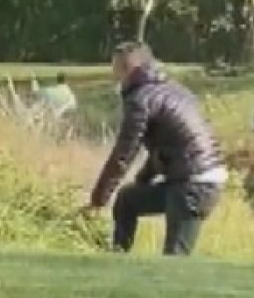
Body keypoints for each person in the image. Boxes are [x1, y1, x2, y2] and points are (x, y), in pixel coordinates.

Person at [86, 42, 227, 256]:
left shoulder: (140, 100)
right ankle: (116, 259)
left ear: (127, 69)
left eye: (115, 70)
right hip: (192, 179)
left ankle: (143, 266)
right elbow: (164, 150)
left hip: (194, 186)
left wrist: (97, 201)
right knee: (127, 199)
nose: (114, 77)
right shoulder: (174, 90)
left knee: (173, 260)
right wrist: (142, 180)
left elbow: (123, 155)